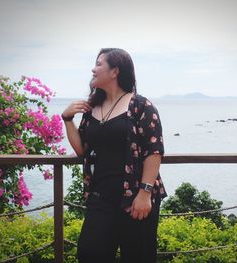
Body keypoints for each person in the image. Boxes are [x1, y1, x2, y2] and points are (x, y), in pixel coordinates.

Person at [62, 48, 167, 262]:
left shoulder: (141, 106)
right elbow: (82, 150)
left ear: (115, 71)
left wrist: (145, 193)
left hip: (135, 199)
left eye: (99, 64)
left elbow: (154, 150)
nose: (93, 69)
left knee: (139, 257)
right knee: (90, 254)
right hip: (100, 198)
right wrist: (67, 118)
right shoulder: (92, 108)